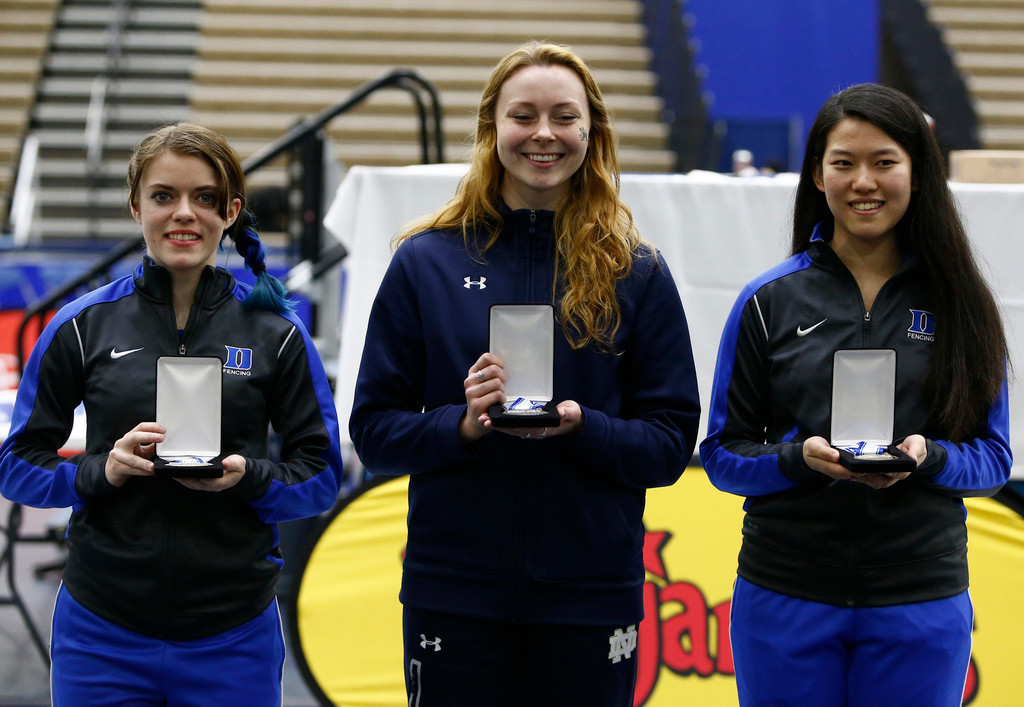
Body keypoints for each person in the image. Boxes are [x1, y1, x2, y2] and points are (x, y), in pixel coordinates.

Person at [349, 42, 700, 707]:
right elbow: (373, 433)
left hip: (590, 595)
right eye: (524, 115)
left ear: (590, 132)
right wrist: (462, 424)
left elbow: (669, 441)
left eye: (564, 117)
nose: (544, 134)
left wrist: (581, 426)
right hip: (453, 591)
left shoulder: (637, 270)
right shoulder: (425, 264)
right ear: (492, 130)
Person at [0, 122, 344, 706]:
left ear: (231, 211)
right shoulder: (82, 327)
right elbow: (16, 465)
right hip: (101, 629)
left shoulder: (277, 334)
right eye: (164, 196)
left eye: (204, 198)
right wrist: (99, 471)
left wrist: (250, 477)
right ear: (137, 205)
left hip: (233, 633)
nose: (184, 214)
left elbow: (320, 477)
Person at [700, 83, 1011, 706]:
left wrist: (933, 458)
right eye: (843, 163)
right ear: (817, 175)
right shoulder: (768, 302)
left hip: (919, 600)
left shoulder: (960, 303)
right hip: (785, 594)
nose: (863, 181)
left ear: (918, 172)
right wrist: (796, 460)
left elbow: (994, 460)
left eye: (884, 162)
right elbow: (722, 454)